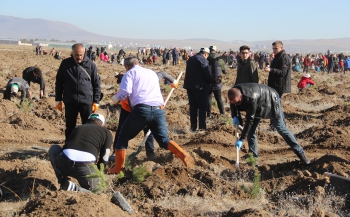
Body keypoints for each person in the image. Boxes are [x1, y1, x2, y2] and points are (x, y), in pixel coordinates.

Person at [107, 56, 193, 174]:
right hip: (158, 110)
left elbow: (125, 92)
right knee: (163, 140)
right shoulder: (151, 72)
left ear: (127, 66)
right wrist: (173, 81)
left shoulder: (130, 73)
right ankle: (184, 155)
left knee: (122, 137)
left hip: (141, 110)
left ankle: (117, 169)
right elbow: (161, 76)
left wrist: (115, 99)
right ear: (138, 63)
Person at [228, 83, 311, 165]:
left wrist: (242, 139)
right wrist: (235, 116)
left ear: (241, 96)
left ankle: (301, 154)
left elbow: (249, 120)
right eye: (234, 103)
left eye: (238, 102)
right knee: (251, 131)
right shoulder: (234, 92)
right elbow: (233, 104)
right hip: (258, 101)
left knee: (280, 128)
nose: (236, 105)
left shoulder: (251, 98)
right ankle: (253, 159)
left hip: (271, 99)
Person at [111, 71, 179, 160]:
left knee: (148, 129)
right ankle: (116, 153)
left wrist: (173, 81)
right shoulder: (126, 86)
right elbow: (130, 104)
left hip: (144, 108)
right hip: (128, 109)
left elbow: (162, 73)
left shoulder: (147, 79)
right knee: (121, 130)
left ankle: (150, 152)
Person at [49, 113, 112, 192]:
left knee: (54, 149)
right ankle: (74, 188)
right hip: (85, 167)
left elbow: (66, 147)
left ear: (88, 121)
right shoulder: (107, 133)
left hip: (64, 163)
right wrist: (98, 174)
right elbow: (104, 158)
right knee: (96, 192)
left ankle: (63, 182)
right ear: (102, 124)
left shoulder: (78, 128)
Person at [55, 43, 101, 139]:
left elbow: (96, 84)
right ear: (72, 53)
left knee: (87, 126)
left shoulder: (91, 65)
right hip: (70, 101)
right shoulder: (65, 64)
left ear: (84, 53)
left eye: (81, 55)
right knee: (70, 126)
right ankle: (68, 146)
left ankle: (86, 147)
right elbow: (59, 82)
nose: (79, 57)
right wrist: (58, 99)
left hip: (86, 102)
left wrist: (96, 101)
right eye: (76, 55)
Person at [184, 47, 216, 132]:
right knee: (202, 107)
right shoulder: (203, 60)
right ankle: (202, 128)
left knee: (193, 107)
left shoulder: (191, 59)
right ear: (205, 54)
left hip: (189, 86)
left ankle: (193, 128)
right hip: (200, 88)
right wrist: (214, 81)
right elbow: (207, 74)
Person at [207, 45, 226, 117]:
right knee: (219, 98)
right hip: (217, 82)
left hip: (208, 81)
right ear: (215, 50)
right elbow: (224, 70)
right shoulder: (220, 59)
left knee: (209, 98)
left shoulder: (206, 58)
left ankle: (208, 114)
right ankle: (222, 113)